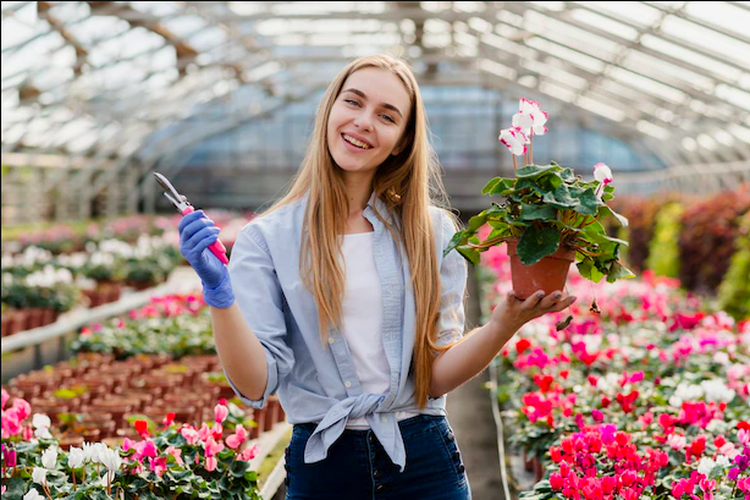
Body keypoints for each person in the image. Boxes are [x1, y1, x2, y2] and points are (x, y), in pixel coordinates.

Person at [177, 54, 576, 500]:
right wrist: (220, 294)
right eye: (354, 102)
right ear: (330, 109)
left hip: (424, 463)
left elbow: (434, 377)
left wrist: (505, 322)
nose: (364, 121)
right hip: (322, 466)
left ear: (402, 141)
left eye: (387, 116)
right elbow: (256, 384)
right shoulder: (267, 239)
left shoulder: (432, 232)